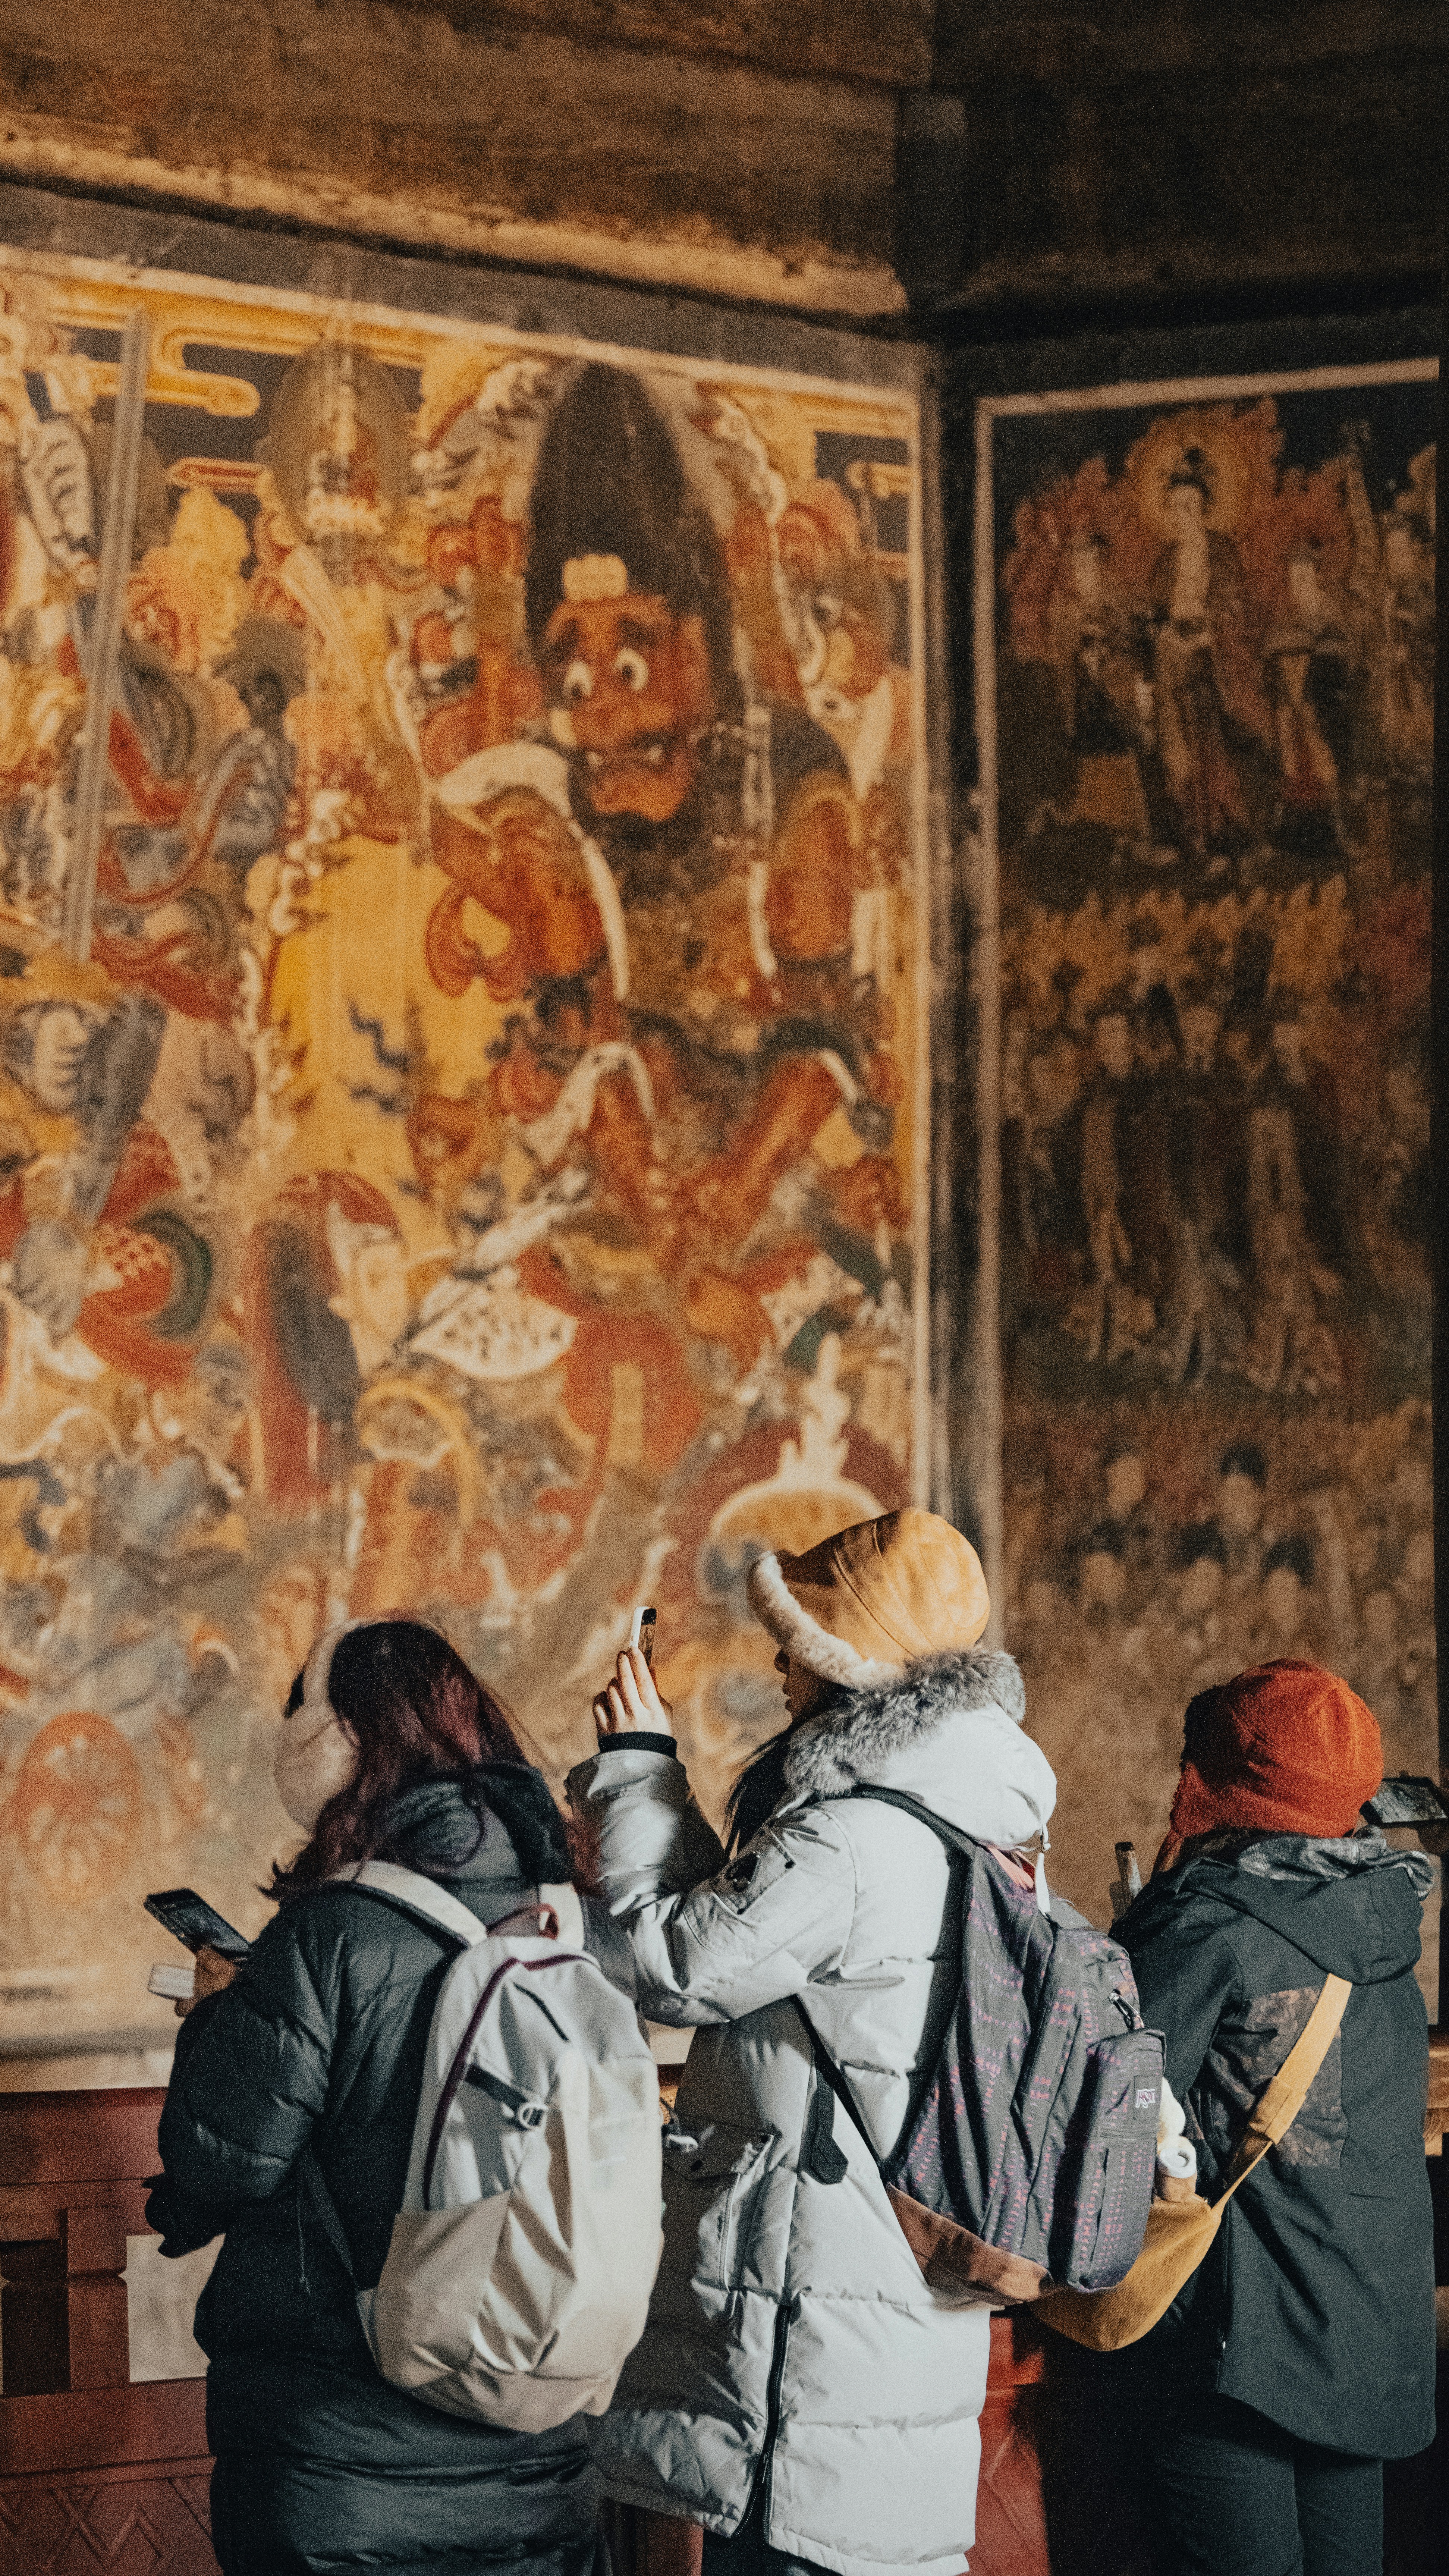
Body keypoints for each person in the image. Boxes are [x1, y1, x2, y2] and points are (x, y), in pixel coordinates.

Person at [568, 1507, 1058, 2576]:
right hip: (897, 2307)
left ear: (845, 1662)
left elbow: (675, 1966)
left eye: (797, 1639)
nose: (779, 1661)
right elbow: (752, 1941)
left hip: (810, 2339)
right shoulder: (986, 1824)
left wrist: (640, 1766)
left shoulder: (851, 1838)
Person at [147, 1617, 614, 2576]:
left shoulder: (330, 1935)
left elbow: (220, 2159)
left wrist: (215, 2017)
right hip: (543, 2443)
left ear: (341, 1743)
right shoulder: (573, 1919)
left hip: (343, 2455)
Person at [1108, 1658, 1436, 2576]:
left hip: (1241, 2345)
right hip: (1366, 2331)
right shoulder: (1381, 1912)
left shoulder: (1204, 1924)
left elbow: (1097, 2096)